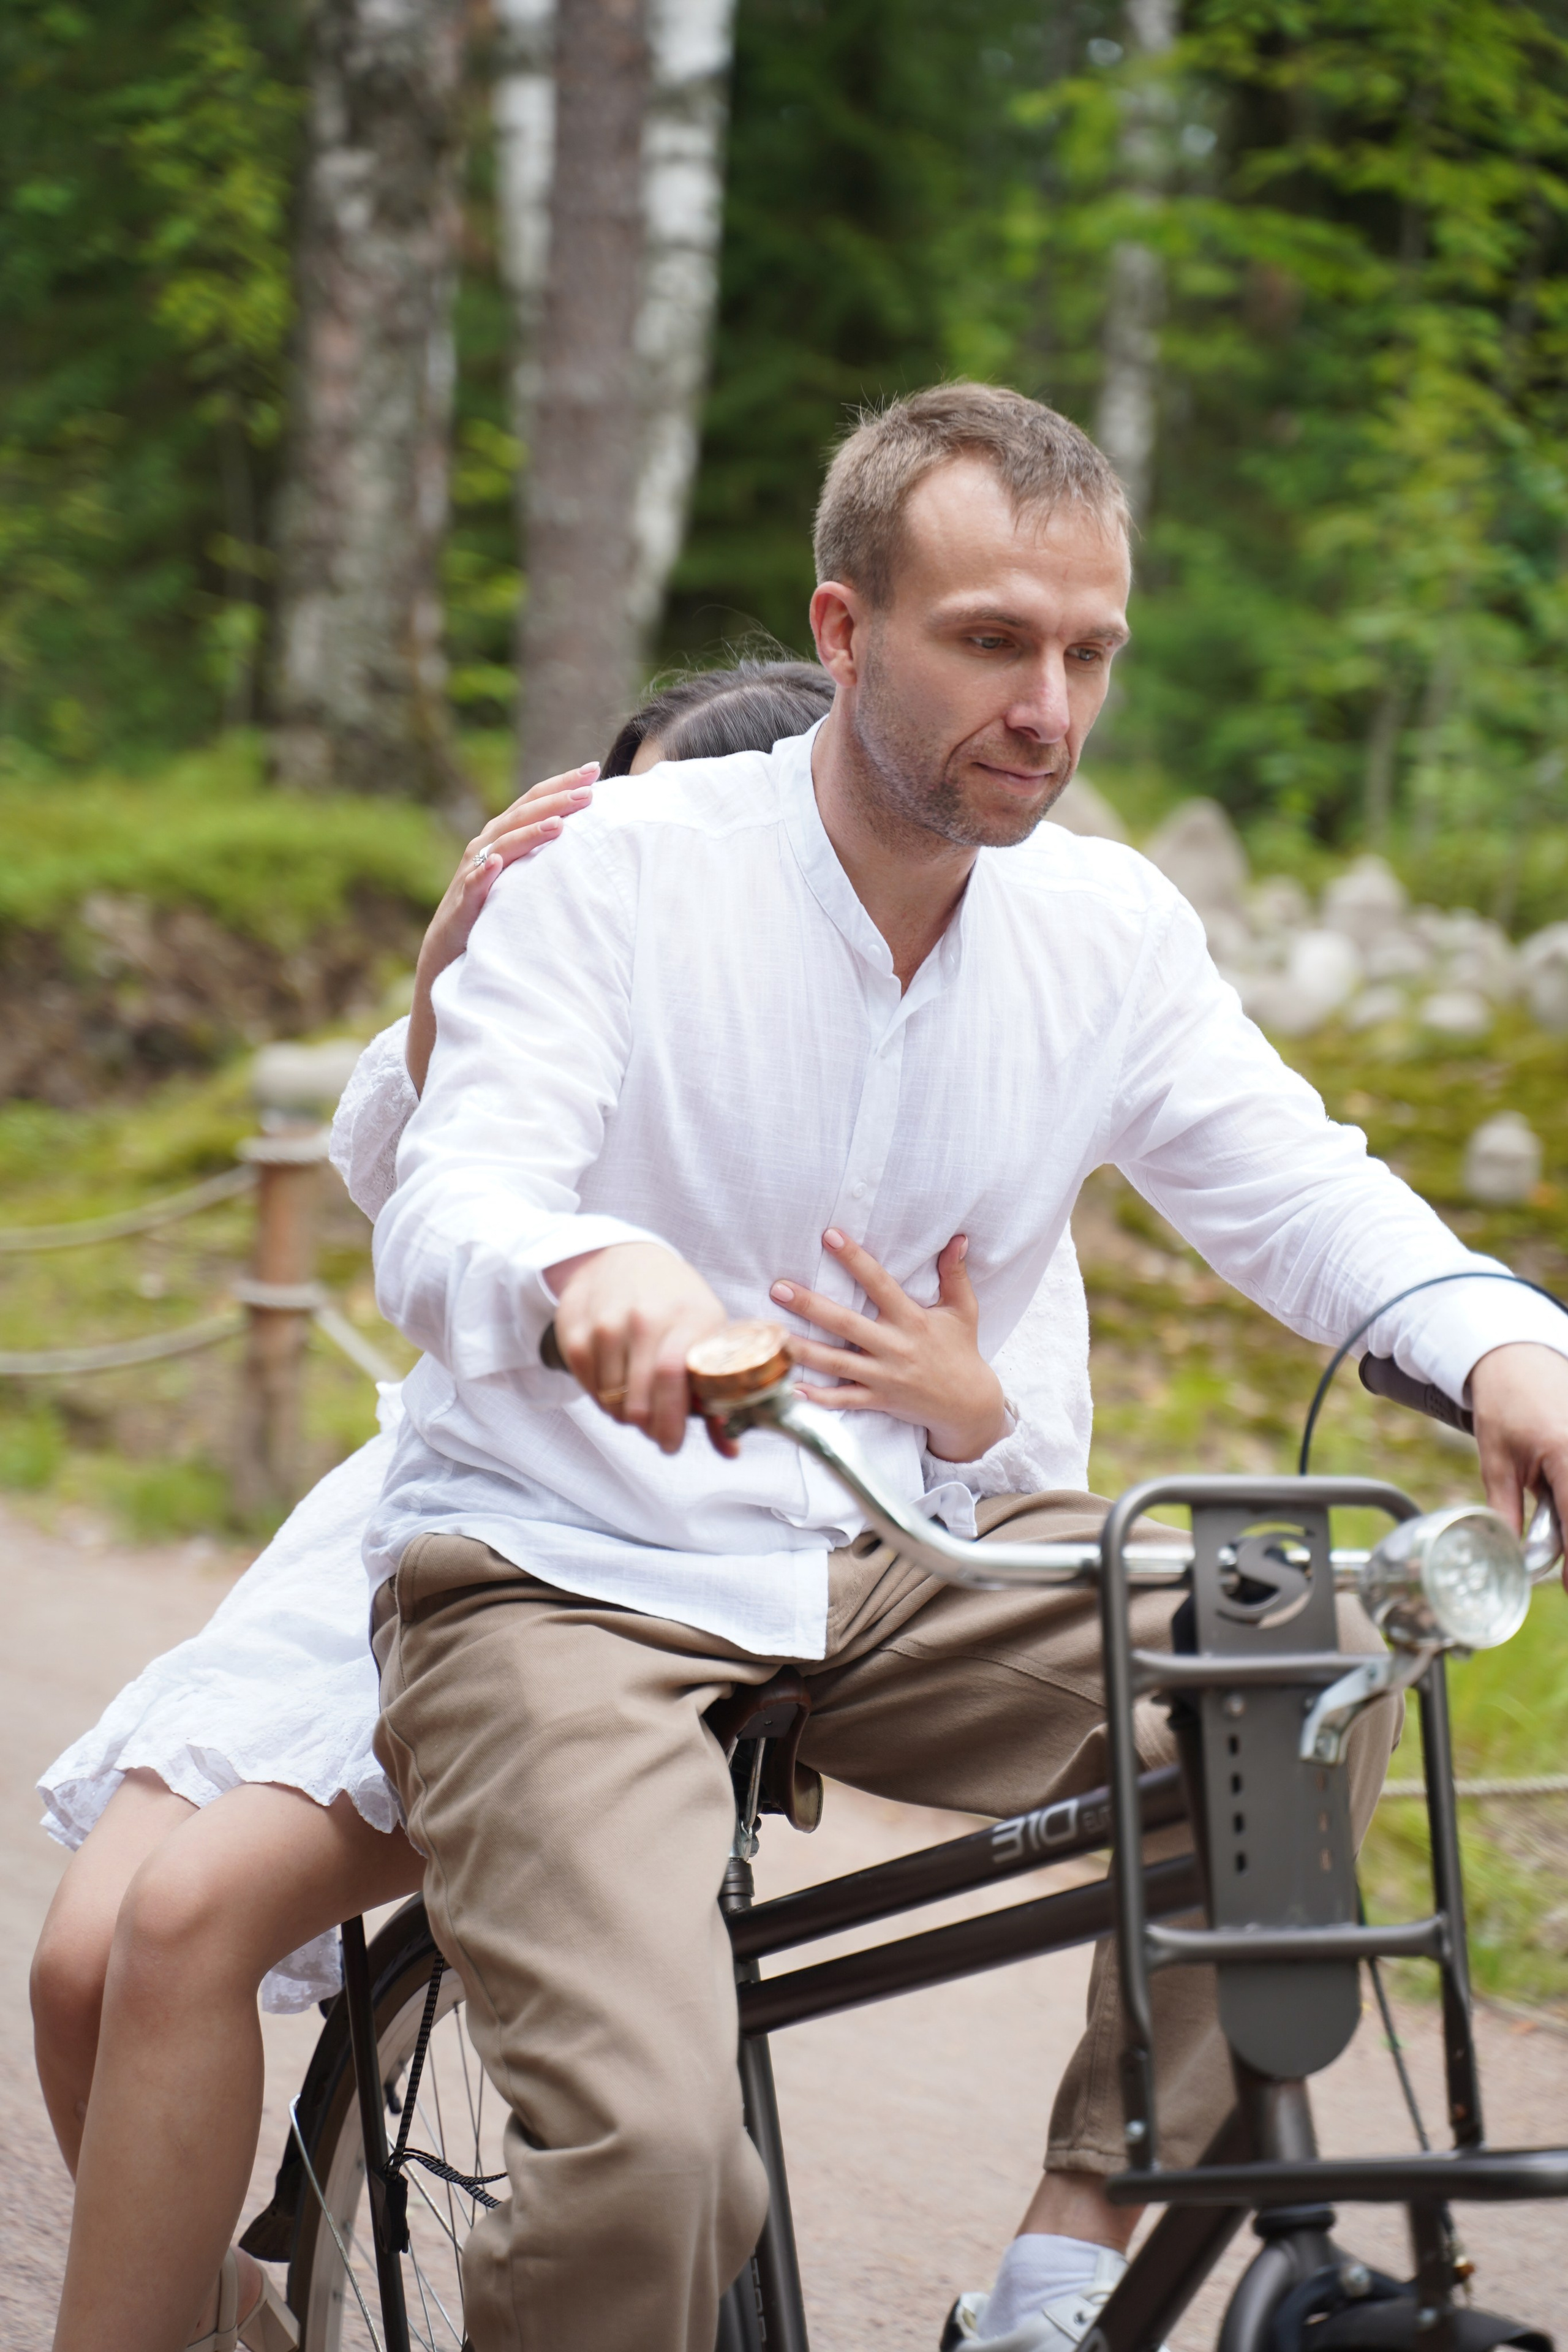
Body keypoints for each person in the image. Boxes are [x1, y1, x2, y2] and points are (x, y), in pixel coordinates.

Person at [364, 382, 1568, 2352]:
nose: (1054, 710)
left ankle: (1062, 2271)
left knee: (1316, 1641)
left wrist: (1509, 1351)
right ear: (846, 632)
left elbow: (1299, 1193)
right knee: (659, 2167)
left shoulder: (1107, 928)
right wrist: (591, 1272)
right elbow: (454, 1189)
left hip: (919, 1558)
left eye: (1091, 650)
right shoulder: (624, 872)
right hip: (564, 1569)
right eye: (995, 642)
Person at [32, 655, 1088, 2352]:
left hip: (635, 1591)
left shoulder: (897, 1073)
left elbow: (1009, 1466)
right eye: (599, 830)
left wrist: (961, 1398)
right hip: (433, 1509)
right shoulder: (565, 993)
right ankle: (213, 2293)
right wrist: (455, 971)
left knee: (180, 1919)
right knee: (81, 1960)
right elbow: (414, 1206)